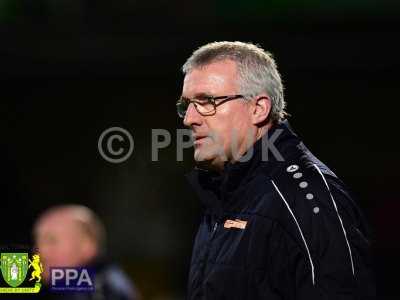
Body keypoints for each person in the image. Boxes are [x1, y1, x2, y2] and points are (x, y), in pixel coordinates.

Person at [177, 41, 375, 299]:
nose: (189, 118)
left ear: (258, 108)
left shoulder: (307, 195)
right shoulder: (223, 194)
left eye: (207, 101)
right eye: (187, 105)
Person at [33, 204, 139, 300]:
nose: (40, 250)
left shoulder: (98, 288)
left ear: (87, 246)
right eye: (37, 241)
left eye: (51, 240)